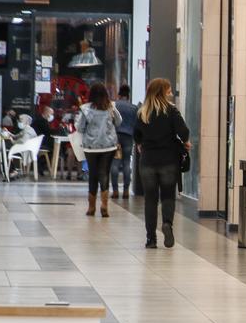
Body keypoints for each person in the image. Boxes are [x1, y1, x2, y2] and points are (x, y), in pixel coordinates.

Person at [133, 78, 190, 249]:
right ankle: (167, 224)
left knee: (150, 199)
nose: (171, 93)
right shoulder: (171, 111)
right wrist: (184, 142)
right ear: (162, 92)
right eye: (169, 90)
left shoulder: (142, 112)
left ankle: (151, 239)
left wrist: (141, 143)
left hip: (148, 161)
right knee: (167, 196)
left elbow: (136, 136)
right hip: (168, 160)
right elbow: (184, 132)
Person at [77, 84, 122, 217]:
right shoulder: (111, 107)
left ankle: (91, 207)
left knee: (93, 175)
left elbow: (80, 128)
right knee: (104, 173)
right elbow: (119, 122)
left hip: (91, 147)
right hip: (109, 146)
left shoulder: (85, 109)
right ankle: (104, 206)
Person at [111, 85, 139, 198]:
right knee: (127, 163)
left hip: (115, 136)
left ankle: (115, 191)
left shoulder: (114, 105)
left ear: (119, 94)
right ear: (128, 95)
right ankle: (126, 190)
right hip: (128, 137)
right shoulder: (134, 107)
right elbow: (137, 125)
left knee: (115, 163)